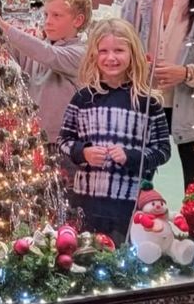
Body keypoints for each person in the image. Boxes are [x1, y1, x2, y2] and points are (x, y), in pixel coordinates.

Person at [58, 18, 171, 244]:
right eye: (104, 51)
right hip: (87, 200)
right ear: (93, 56)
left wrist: (131, 157)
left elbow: (162, 150)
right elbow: (64, 140)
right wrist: (83, 152)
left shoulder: (148, 102)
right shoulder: (83, 98)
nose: (111, 58)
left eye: (119, 50)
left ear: (132, 54)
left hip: (130, 202)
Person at [121, 0, 194, 189]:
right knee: (136, 183)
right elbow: (118, 48)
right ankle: (134, 231)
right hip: (142, 104)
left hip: (191, 110)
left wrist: (186, 73)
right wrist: (134, 62)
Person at [0, 0, 91, 175]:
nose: (48, 21)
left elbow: (50, 55)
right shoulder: (39, 47)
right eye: (46, 15)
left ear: (78, 20)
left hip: (64, 145)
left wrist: (5, 27)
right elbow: (19, 51)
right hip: (34, 139)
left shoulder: (81, 53)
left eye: (57, 16)